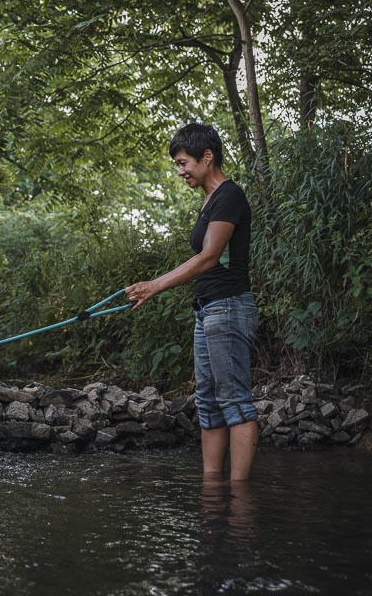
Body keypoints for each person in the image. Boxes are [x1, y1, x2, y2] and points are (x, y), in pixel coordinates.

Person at [125, 123, 259, 480]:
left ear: (208, 156)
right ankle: (212, 490)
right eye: (177, 165)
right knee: (209, 404)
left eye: (183, 163)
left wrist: (155, 286)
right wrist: (153, 284)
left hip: (228, 306)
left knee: (234, 402)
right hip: (207, 311)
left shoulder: (230, 195)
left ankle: (240, 497)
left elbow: (209, 256)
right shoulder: (209, 201)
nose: (180, 171)